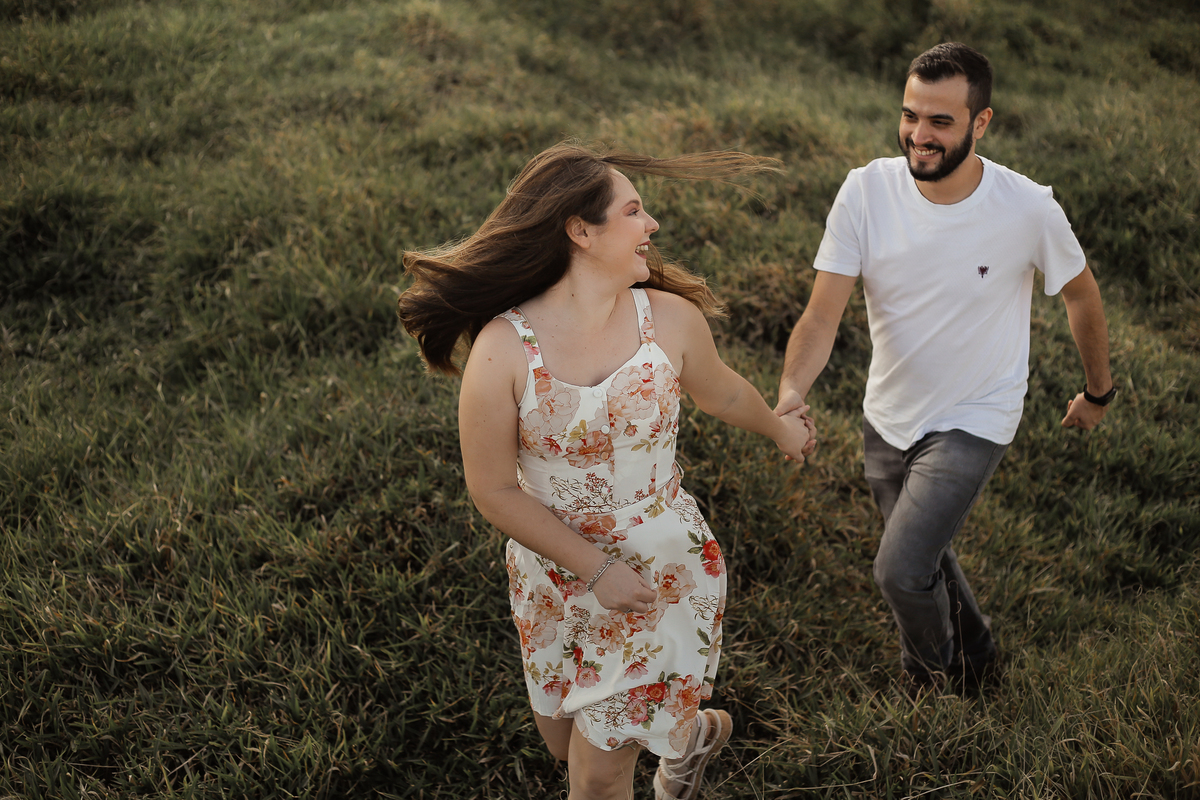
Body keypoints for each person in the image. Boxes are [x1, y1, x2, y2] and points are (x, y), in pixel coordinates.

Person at [398, 142, 815, 800]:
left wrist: (781, 429)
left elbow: (725, 394)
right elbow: (493, 490)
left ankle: (659, 734)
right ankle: (684, 738)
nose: (652, 225)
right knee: (562, 743)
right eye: (633, 211)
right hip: (554, 575)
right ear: (581, 231)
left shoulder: (669, 321)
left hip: (661, 568)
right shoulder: (504, 351)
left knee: (596, 777)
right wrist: (595, 569)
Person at [775, 42, 1115, 691]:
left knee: (900, 570)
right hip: (887, 415)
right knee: (924, 554)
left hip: (976, 416)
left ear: (980, 123)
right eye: (910, 116)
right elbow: (821, 315)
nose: (919, 135)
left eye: (940, 121)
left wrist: (1098, 392)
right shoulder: (865, 191)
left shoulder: (1027, 207)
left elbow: (1081, 294)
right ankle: (979, 661)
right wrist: (792, 389)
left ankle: (930, 684)